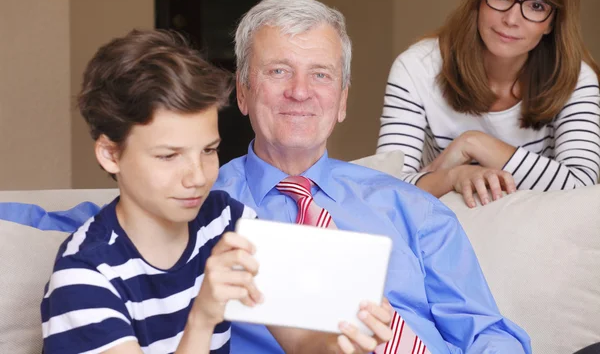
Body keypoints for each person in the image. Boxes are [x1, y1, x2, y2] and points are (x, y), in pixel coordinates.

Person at [40, 29, 392, 354]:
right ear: (110, 153)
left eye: (208, 150)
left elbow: (301, 344)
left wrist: (345, 343)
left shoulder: (225, 221)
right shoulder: (83, 277)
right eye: (168, 156)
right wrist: (202, 319)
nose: (196, 177)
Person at [213, 0, 531, 354]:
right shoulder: (203, 212)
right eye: (278, 71)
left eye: (320, 74)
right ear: (243, 92)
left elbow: (487, 335)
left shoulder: (413, 209)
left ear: (342, 100)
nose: (299, 92)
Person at [376, 0, 600, 208]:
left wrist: (475, 143)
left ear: (552, 21)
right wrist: (453, 177)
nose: (512, 19)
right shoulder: (417, 68)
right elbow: (385, 190)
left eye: (536, 6)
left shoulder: (576, 79)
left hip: (536, 242)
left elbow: (581, 188)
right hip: (439, 235)